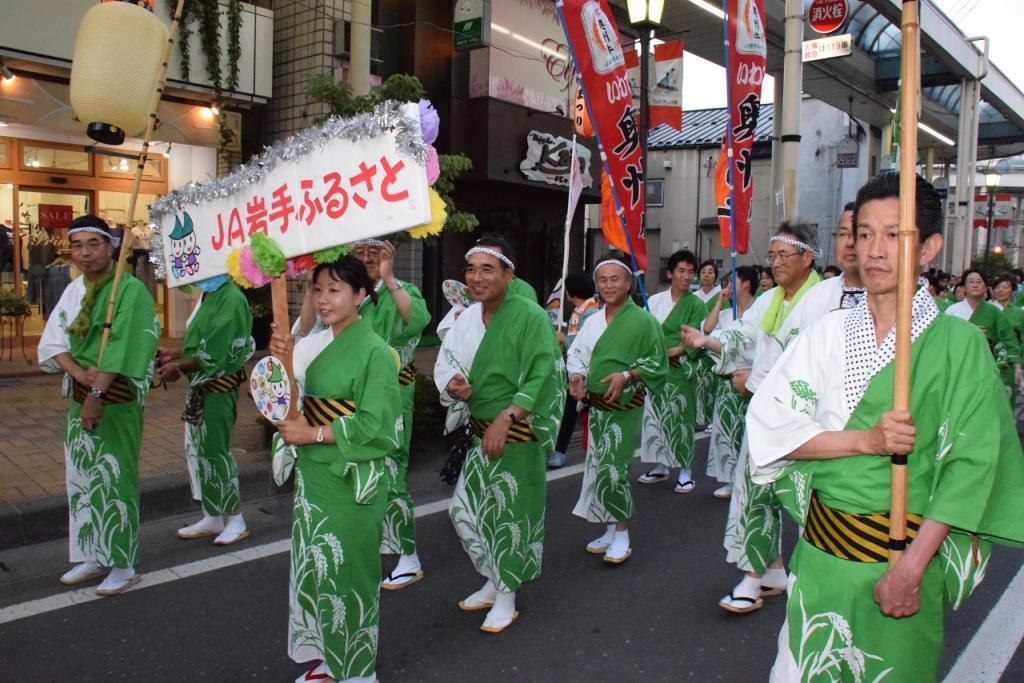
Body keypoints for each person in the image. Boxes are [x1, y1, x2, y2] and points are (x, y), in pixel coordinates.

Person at [746, 172, 1024, 682]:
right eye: (865, 233)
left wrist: (912, 568)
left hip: (899, 564)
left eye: (895, 235)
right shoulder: (825, 333)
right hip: (821, 560)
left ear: (929, 248)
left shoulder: (960, 346)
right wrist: (865, 440)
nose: (874, 249)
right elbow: (770, 425)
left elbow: (973, 467)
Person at [270, 255, 403, 683]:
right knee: (319, 564)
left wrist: (313, 434)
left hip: (352, 478)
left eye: (335, 290)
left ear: (360, 295)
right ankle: (333, 655)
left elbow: (377, 426)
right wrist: (281, 366)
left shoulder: (375, 352)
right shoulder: (310, 344)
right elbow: (288, 405)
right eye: (318, 289)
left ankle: (360, 671)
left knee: (350, 570)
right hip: (315, 476)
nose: (324, 300)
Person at [682, 222, 822, 614]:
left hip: (806, 420)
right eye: (771, 255)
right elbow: (743, 333)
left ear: (808, 258)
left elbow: (806, 362)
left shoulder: (822, 299)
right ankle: (763, 572)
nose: (774, 263)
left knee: (801, 500)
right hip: (766, 417)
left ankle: (785, 576)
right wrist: (708, 340)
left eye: (783, 255)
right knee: (755, 493)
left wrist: (756, 381)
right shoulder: (772, 299)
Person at [436, 236, 564, 634]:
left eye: (487, 268)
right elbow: (448, 363)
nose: (477, 277)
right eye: (471, 269)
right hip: (480, 431)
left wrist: (509, 415)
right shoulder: (467, 318)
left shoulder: (529, 316)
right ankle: (494, 578)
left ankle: (506, 595)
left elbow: (543, 370)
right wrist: (455, 384)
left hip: (517, 431)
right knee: (466, 512)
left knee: (510, 514)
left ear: (509, 274)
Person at [297, 238, 431, 591]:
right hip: (338, 408)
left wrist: (388, 278)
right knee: (351, 481)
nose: (369, 258)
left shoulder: (399, 291)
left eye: (377, 253)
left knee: (391, 472)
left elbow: (416, 320)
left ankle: (408, 554)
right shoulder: (338, 295)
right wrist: (315, 286)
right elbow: (307, 327)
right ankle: (362, 543)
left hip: (388, 398)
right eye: (362, 253)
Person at [37, 215, 160, 595]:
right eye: (77, 245)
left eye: (94, 244)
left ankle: (123, 563)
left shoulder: (130, 291)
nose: (85, 253)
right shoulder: (75, 289)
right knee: (82, 478)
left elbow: (123, 347)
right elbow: (54, 339)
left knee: (114, 477)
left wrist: (96, 393)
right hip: (82, 395)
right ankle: (93, 551)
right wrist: (79, 374)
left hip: (115, 403)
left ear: (111, 248)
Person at [567, 257, 668, 564]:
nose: (609, 285)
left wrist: (628, 375)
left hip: (625, 408)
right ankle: (611, 528)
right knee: (599, 469)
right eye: (603, 280)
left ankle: (622, 532)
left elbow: (657, 362)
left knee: (615, 471)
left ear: (628, 283)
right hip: (596, 409)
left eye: (615, 279)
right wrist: (576, 376)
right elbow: (577, 354)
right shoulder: (592, 322)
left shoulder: (644, 321)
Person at [158, 277, 254, 545]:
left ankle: (235, 518)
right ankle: (213, 514)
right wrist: (175, 354)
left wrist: (179, 366)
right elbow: (201, 341)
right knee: (200, 452)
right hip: (202, 388)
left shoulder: (231, 297)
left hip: (219, 390)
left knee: (216, 452)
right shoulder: (209, 294)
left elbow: (216, 352)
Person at [636, 250, 706, 493]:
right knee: (655, 416)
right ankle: (660, 464)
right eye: (681, 271)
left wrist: (675, 351)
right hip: (657, 370)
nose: (686, 276)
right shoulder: (654, 301)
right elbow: (644, 333)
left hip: (680, 370)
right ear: (670, 273)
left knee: (681, 419)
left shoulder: (697, 305)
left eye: (690, 272)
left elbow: (697, 337)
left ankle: (685, 470)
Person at [701, 266, 759, 499]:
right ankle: (729, 479)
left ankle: (749, 480)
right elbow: (706, 330)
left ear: (746, 284)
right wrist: (720, 300)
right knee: (725, 431)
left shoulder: (761, 311)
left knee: (749, 433)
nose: (728, 287)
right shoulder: (727, 314)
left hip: (753, 381)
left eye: (732, 282)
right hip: (727, 381)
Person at [548, 272, 599, 469]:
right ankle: (559, 451)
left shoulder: (591, 314)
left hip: (588, 373)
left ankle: (587, 452)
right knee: (568, 411)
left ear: (570, 292)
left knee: (582, 413)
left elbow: (585, 344)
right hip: (574, 372)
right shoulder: (581, 312)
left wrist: (563, 339)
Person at [946, 269, 1022, 400]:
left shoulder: (994, 311)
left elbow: (1008, 337)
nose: (975, 285)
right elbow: (944, 339)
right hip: (958, 365)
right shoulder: (952, 311)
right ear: (963, 287)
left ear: (986, 287)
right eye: (971, 282)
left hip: (986, 365)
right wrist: (971, 332)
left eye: (979, 282)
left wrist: (1017, 367)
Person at [693, 260, 722, 426]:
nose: (706, 275)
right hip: (696, 348)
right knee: (697, 384)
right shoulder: (694, 297)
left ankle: (711, 419)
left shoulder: (721, 297)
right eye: (703, 271)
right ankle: (698, 418)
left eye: (710, 272)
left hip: (713, 348)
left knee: (711, 384)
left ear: (715, 276)